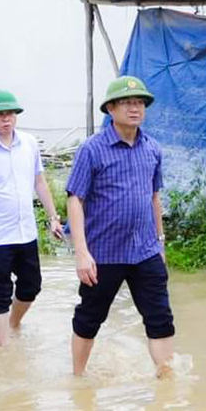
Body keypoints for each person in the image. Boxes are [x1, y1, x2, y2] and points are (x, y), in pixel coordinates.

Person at [66, 75, 175, 378]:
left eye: (139, 102)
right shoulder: (92, 149)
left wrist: (160, 243)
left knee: (160, 318)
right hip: (103, 254)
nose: (135, 108)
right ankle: (78, 379)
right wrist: (81, 252)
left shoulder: (152, 149)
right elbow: (75, 199)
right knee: (89, 318)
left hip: (145, 251)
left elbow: (154, 198)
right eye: (127, 103)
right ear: (110, 109)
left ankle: (167, 383)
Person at [0, 89, 63, 346]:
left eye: (10, 114)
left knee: (32, 286)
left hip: (25, 231)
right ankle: (3, 347)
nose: (6, 119)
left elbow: (39, 181)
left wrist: (53, 217)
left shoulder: (28, 143)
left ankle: (14, 323)